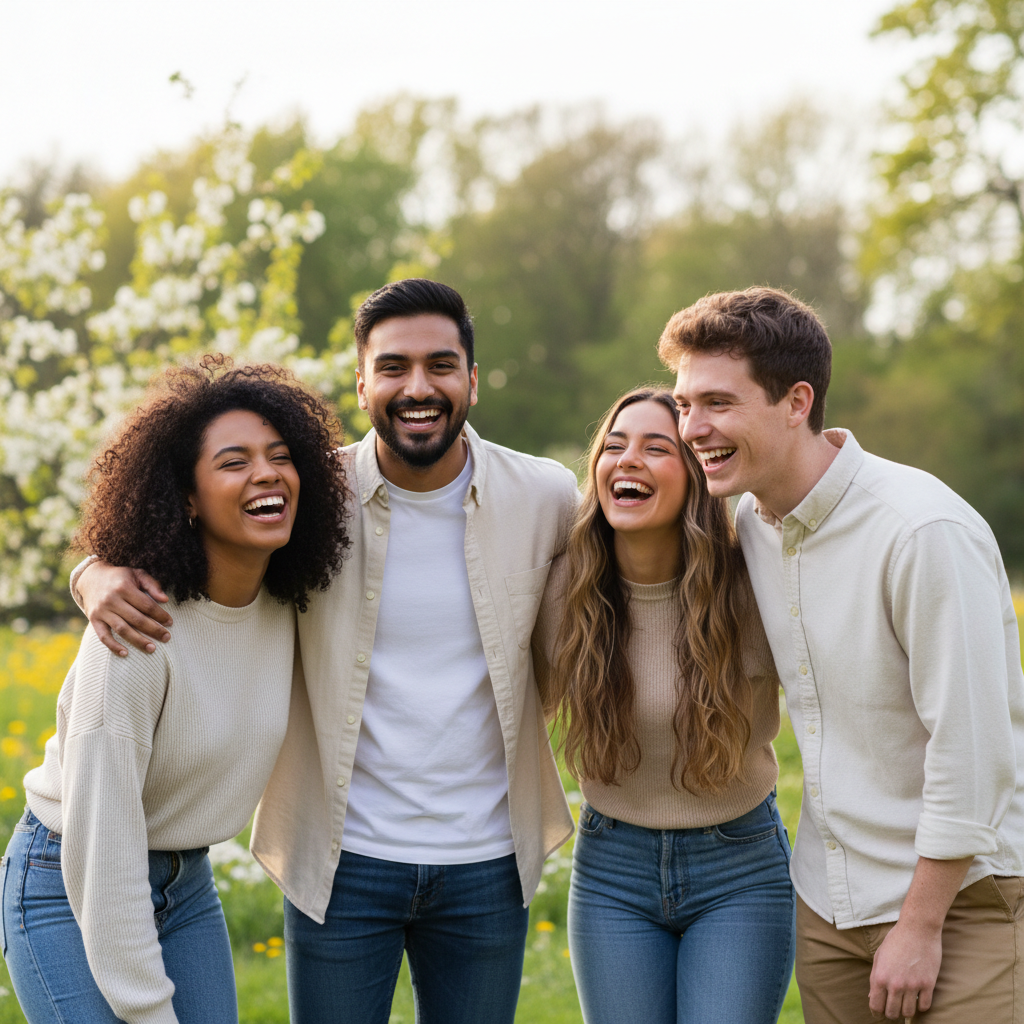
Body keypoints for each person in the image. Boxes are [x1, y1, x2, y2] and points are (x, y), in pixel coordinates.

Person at [72, 279, 580, 1024]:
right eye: (394, 367)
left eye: (441, 365)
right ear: (362, 383)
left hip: (488, 863)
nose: (418, 387)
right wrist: (92, 572)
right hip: (341, 865)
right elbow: (192, 540)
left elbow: (639, 546)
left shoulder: (546, 495)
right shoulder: (308, 496)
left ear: (471, 379)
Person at [661, 286, 1024, 1024]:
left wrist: (919, 926)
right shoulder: (748, 524)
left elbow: (976, 749)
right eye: (682, 404)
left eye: (718, 404)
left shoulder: (921, 532)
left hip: (958, 903)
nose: (691, 428)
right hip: (828, 907)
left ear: (797, 402)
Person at [1, 358, 350, 1024]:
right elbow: (104, 848)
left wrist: (87, 572)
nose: (266, 473)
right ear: (185, 496)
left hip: (186, 884)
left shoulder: (291, 603)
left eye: (281, 456)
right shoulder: (137, 629)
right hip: (69, 877)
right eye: (233, 462)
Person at [533, 388, 794, 1024]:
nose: (629, 460)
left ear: (697, 476)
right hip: (611, 870)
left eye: (657, 448)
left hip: (740, 868)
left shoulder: (754, 582)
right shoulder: (563, 590)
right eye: (615, 446)